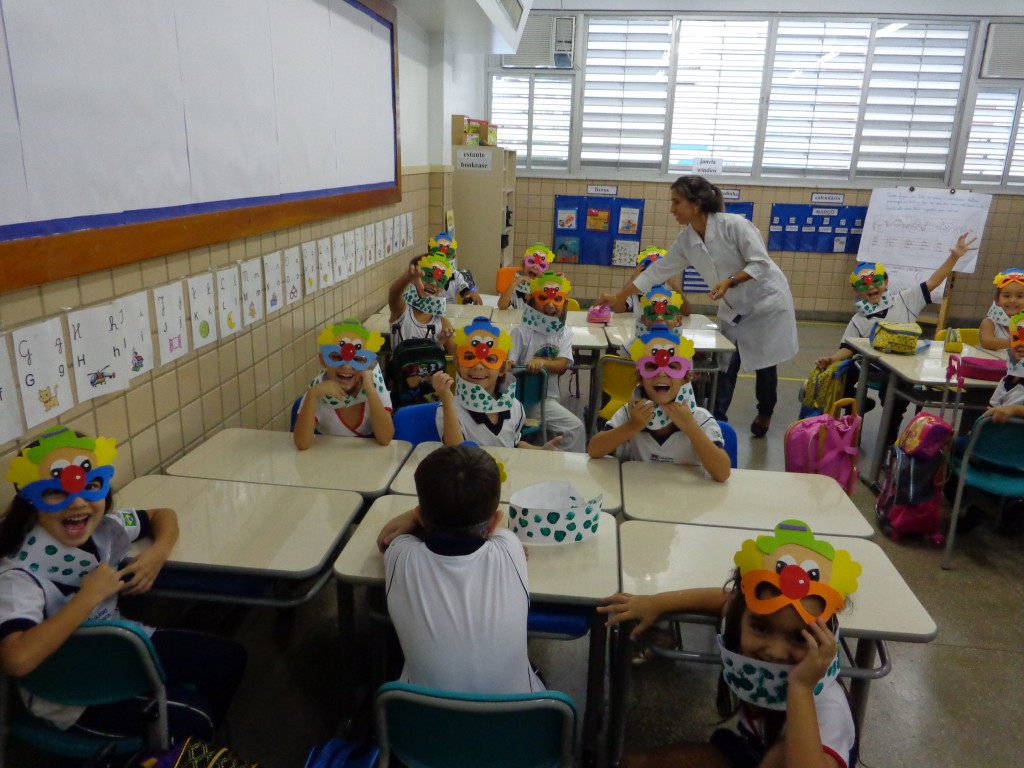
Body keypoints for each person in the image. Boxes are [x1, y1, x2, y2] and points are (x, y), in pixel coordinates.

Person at [0, 427, 245, 742]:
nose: (77, 503)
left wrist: (157, 553)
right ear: (31, 502)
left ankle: (184, 749)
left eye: (91, 486)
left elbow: (162, 514)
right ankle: (180, 750)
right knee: (196, 715)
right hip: (67, 691)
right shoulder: (19, 574)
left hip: (119, 647)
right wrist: (87, 597)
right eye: (56, 492)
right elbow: (17, 659)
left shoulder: (104, 528)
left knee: (228, 659)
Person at [599, 520, 861, 768]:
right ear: (739, 619)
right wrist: (657, 603)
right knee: (632, 763)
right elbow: (728, 601)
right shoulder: (743, 614)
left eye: (799, 637)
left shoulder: (829, 708)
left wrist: (801, 688)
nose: (775, 652)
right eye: (761, 628)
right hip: (751, 750)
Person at [599, 176, 798, 438]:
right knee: (726, 363)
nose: (672, 209)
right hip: (734, 306)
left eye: (676, 202)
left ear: (696, 204)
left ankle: (765, 411)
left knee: (765, 362)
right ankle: (718, 420)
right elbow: (657, 271)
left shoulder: (735, 225)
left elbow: (760, 263)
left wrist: (730, 281)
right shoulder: (687, 240)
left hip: (766, 304)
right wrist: (619, 297)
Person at [375, 444, 543, 693]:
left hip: (420, 714)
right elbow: (495, 530)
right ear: (495, 521)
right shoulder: (510, 548)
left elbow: (386, 537)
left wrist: (417, 516)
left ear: (420, 516)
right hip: (522, 713)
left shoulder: (401, 555)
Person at [815, 234, 978, 443]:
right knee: (843, 374)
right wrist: (831, 359)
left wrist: (954, 257)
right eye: (863, 285)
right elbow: (849, 347)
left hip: (902, 367)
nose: (871, 287)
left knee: (895, 399)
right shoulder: (859, 319)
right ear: (856, 290)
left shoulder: (904, 300)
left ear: (886, 282)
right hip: (872, 367)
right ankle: (856, 408)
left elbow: (933, 282)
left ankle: (888, 441)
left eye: (876, 281)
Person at [588, 325, 730, 481]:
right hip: (643, 491)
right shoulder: (632, 413)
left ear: (685, 379)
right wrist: (631, 426)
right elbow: (594, 450)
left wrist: (691, 427)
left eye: (672, 366)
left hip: (685, 494)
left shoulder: (700, 418)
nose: (662, 373)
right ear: (641, 378)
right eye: (651, 366)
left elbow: (722, 473)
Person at [433, 316, 561, 449]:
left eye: (490, 359)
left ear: (502, 369)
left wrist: (540, 450)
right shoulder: (448, 408)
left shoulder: (514, 407)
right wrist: (446, 399)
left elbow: (514, 444)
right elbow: (456, 451)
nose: (478, 366)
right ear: (457, 364)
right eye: (469, 357)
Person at [510, 271, 585, 452]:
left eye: (557, 299)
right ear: (533, 302)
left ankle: (561, 461)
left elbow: (561, 365)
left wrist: (541, 363)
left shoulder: (564, 333)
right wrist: (515, 365)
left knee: (572, 428)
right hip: (524, 400)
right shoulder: (521, 332)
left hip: (547, 398)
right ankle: (562, 463)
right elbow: (509, 364)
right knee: (575, 427)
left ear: (564, 303)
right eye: (543, 299)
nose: (550, 305)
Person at [293, 318, 394, 449]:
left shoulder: (375, 387)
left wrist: (370, 390)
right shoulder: (317, 392)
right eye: (336, 357)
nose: (347, 366)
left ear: (367, 363)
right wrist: (312, 395)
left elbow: (385, 438)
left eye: (358, 359)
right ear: (323, 360)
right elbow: (301, 444)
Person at [388, 253, 456, 354]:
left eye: (440, 280)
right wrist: (406, 278)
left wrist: (440, 342)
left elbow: (455, 355)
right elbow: (394, 293)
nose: (433, 283)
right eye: (428, 276)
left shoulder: (441, 322)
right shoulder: (402, 310)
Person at [428, 231, 483, 306]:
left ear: (454, 257)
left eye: (446, 259)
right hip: (431, 310)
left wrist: (472, 291)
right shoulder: (426, 276)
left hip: (452, 311)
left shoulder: (456, 276)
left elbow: (465, 290)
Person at [497, 243, 556, 310]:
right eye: (531, 262)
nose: (535, 267)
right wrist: (514, 283)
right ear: (523, 264)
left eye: (542, 265)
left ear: (545, 272)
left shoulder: (546, 290)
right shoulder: (517, 287)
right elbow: (501, 306)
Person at [979, 268, 1024, 351]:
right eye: (1007, 296)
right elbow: (986, 342)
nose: (1012, 300)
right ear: (997, 299)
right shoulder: (990, 322)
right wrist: (1016, 342)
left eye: (1019, 296)